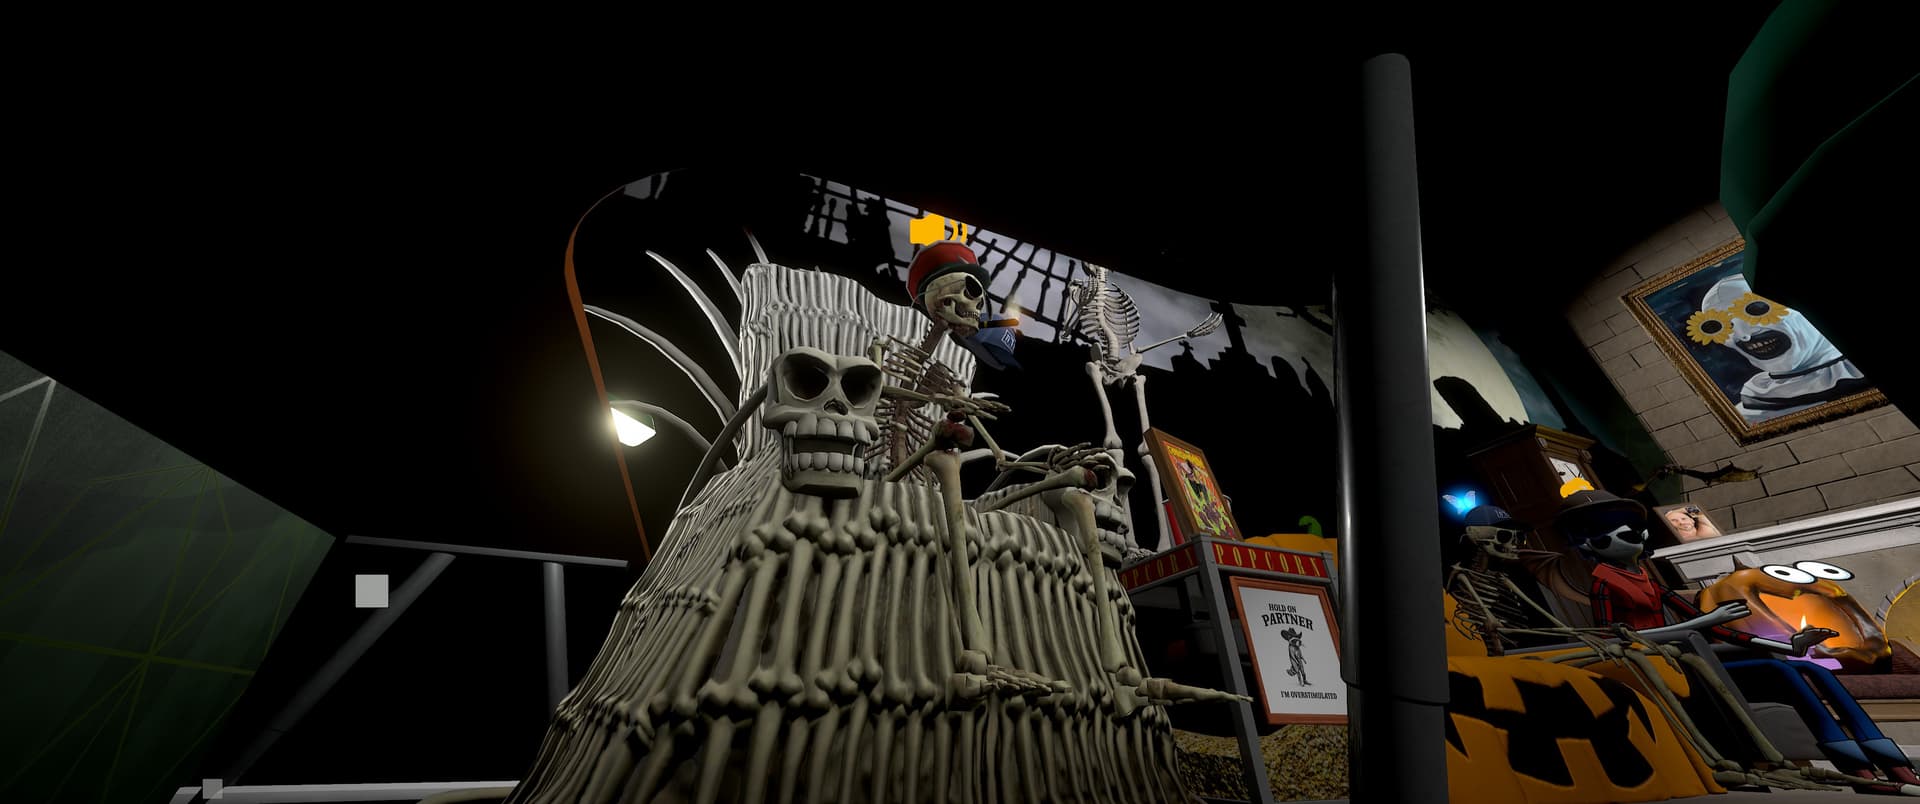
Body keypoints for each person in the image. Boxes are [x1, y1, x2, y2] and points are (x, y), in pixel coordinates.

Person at [1560, 489, 1918, 789]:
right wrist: (1703, 622)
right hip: (1665, 664)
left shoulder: (1647, 580)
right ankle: (1856, 768)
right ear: (1592, 543)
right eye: (1618, 532)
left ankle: (1891, 762)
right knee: (1782, 673)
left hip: (1693, 653)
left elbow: (1716, 628)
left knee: (1813, 669)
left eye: (1635, 531)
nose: (1634, 536)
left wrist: (1788, 646)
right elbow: (1615, 637)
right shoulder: (1604, 582)